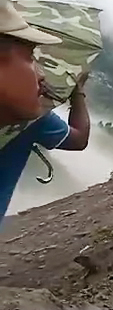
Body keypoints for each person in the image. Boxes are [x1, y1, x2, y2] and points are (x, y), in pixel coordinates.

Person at [0, 0, 91, 222]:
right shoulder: (33, 121)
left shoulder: (31, 116)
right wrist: (77, 92)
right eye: (30, 57)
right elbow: (79, 139)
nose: (40, 75)